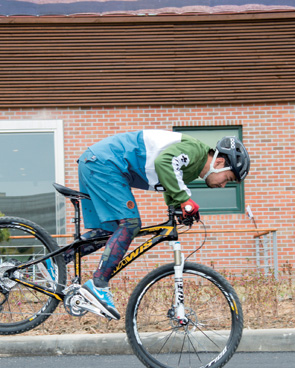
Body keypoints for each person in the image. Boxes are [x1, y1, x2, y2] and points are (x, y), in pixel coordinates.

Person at [66, 130, 250, 320]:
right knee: (130, 224)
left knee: (110, 231)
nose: (222, 186)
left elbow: (169, 180)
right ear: (219, 163)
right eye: (227, 179)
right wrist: (184, 200)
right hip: (105, 163)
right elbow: (165, 163)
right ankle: (98, 285)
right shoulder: (196, 151)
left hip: (97, 162)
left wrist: (177, 207)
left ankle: (57, 259)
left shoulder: (191, 170)